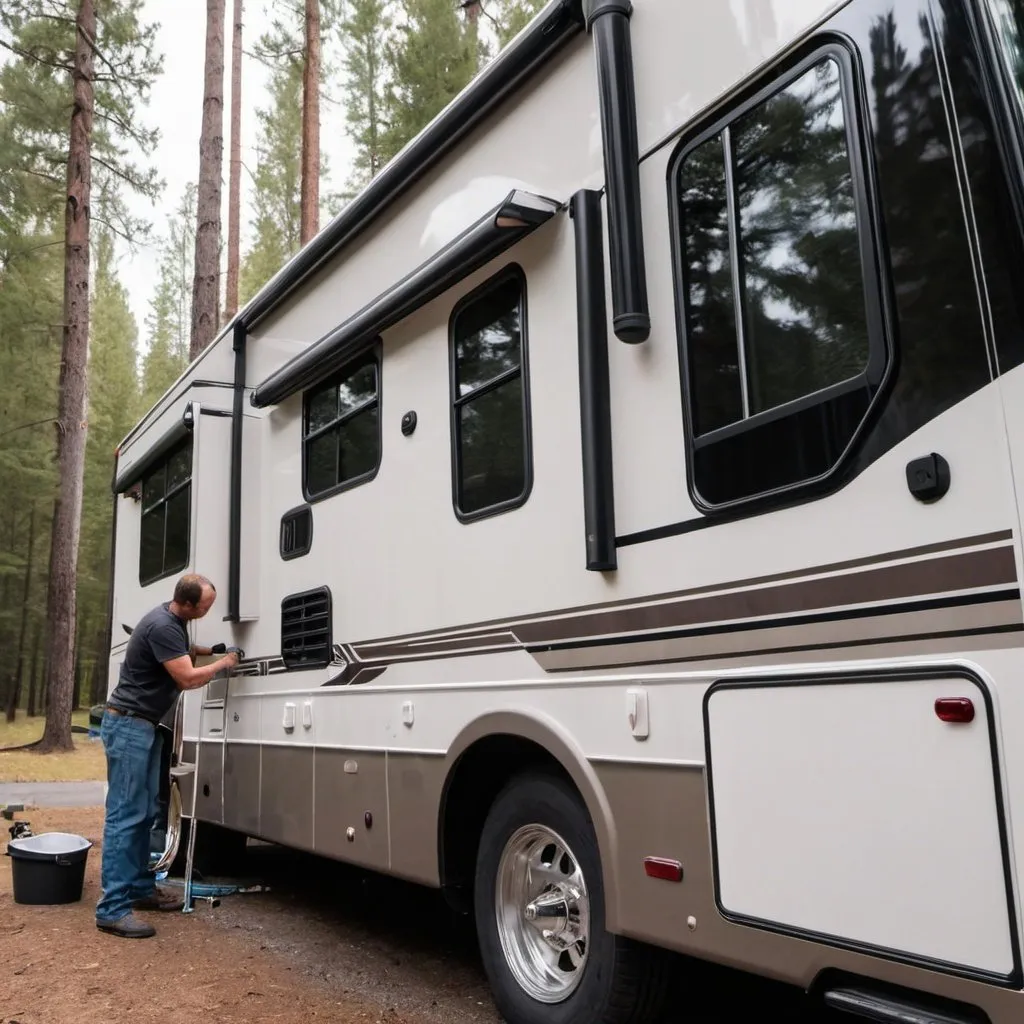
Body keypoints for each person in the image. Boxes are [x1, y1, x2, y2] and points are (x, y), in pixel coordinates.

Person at [95, 573, 240, 939]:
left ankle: (142, 890)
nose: (209, 608)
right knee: (125, 816)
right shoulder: (163, 625)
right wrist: (224, 664)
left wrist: (211, 651)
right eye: (206, 604)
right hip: (129, 726)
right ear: (188, 604)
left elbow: (182, 653)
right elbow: (187, 678)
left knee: (145, 814)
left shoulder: (174, 621)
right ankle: (111, 909)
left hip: (143, 727)